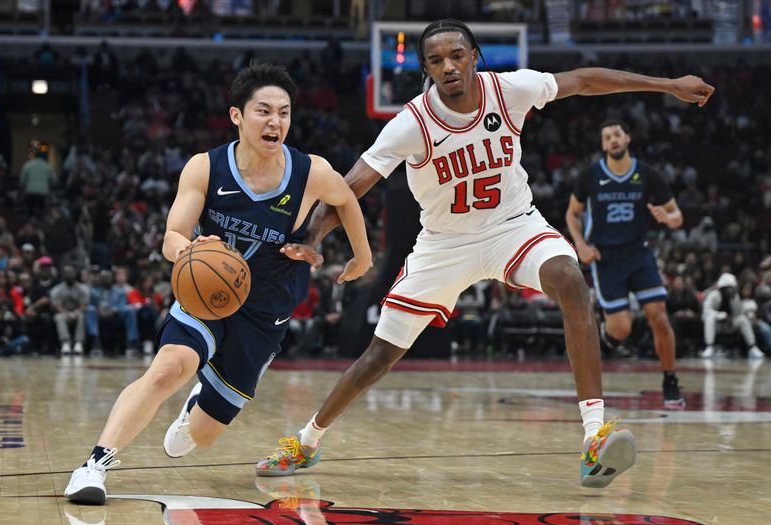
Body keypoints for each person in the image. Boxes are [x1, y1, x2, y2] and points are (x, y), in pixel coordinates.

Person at [256, 19, 714, 488]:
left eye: (457, 55)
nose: (448, 66)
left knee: (572, 281)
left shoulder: (510, 89)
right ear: (426, 69)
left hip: (513, 227)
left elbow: (583, 81)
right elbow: (353, 184)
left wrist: (667, 85)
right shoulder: (411, 123)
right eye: (436, 60)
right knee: (379, 355)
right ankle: (306, 441)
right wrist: (313, 236)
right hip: (444, 244)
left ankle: (594, 435)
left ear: (475, 56)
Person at [63, 63, 372, 505]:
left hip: (267, 308)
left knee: (201, 437)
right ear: (236, 116)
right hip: (208, 294)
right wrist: (187, 250)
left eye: (284, 113)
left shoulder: (311, 172)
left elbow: (346, 200)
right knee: (169, 367)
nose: (275, 122)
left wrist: (362, 255)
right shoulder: (205, 168)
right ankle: (94, 466)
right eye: (264, 111)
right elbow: (172, 235)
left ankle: (196, 409)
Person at [565, 119, 686, 410]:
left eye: (617, 134)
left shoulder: (647, 174)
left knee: (659, 315)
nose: (613, 140)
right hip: (607, 258)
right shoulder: (590, 176)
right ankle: (607, 341)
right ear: (603, 145)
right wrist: (580, 245)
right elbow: (572, 214)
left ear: (627, 138)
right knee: (621, 328)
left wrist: (668, 219)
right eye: (607, 137)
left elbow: (677, 215)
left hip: (639, 253)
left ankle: (670, 380)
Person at [700, 273, 765, 359]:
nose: (730, 290)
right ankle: (709, 347)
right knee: (710, 318)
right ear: (723, 287)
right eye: (728, 287)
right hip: (716, 326)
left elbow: (739, 313)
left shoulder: (734, 297)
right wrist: (720, 315)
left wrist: (734, 300)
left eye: (732, 288)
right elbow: (706, 312)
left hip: (729, 325)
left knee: (743, 319)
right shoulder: (713, 295)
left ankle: (752, 347)